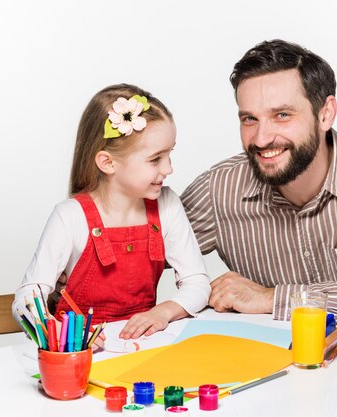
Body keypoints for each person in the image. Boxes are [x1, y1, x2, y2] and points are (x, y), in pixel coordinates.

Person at [180, 40, 337, 324]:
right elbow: (135, 250)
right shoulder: (219, 188)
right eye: (249, 119)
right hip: (267, 359)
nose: (261, 139)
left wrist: (270, 298)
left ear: (325, 114)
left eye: (282, 115)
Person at [13, 84, 211, 344]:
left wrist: (163, 312)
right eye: (156, 159)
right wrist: (57, 332)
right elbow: (27, 298)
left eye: (169, 154)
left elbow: (197, 283)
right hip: (84, 355)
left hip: (142, 348)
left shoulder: (167, 205)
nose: (169, 168)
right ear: (108, 163)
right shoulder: (70, 217)